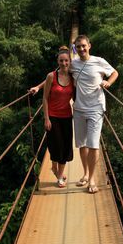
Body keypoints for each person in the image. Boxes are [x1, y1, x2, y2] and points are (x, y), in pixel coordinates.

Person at [71, 34, 118, 194]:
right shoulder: (73, 63)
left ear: (89, 46)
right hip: (78, 109)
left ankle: (91, 179)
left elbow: (114, 73)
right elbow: (56, 75)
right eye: (78, 47)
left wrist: (108, 82)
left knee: (93, 144)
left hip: (96, 108)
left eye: (84, 46)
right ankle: (85, 173)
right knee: (82, 145)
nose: (82, 49)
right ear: (75, 49)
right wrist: (38, 87)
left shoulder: (99, 61)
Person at [41, 46, 75, 187]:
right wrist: (46, 118)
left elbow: (77, 95)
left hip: (67, 116)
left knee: (65, 147)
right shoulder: (51, 76)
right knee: (56, 146)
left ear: (70, 61)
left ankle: (59, 175)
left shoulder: (73, 77)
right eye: (61, 61)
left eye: (66, 60)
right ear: (58, 61)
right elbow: (45, 98)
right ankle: (55, 168)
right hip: (53, 116)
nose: (64, 63)